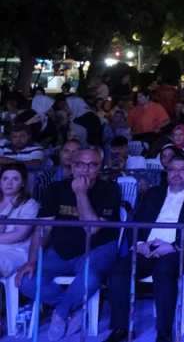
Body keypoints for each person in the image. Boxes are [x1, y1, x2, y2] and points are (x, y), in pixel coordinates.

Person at [105, 154, 184, 342]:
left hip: (182, 250)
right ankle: (121, 328)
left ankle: (163, 333)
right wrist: (140, 244)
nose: (176, 174)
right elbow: (138, 222)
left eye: (182, 170)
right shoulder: (153, 193)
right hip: (150, 246)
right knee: (118, 270)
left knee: (163, 270)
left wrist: (173, 246)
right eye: (173, 169)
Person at [16, 146, 121, 341]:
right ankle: (73, 308)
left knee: (90, 276)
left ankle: (60, 314)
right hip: (60, 250)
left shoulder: (110, 190)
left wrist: (80, 193)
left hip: (98, 247)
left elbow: (91, 230)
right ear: (72, 166)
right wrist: (31, 261)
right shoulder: (54, 189)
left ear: (100, 167)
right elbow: (43, 229)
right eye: (80, 164)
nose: (85, 169)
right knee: (26, 281)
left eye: (92, 165)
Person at [0, 164, 40, 276]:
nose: (9, 183)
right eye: (5, 178)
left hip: (13, 252)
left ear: (23, 183)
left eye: (15, 179)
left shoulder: (29, 205)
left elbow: (19, 235)